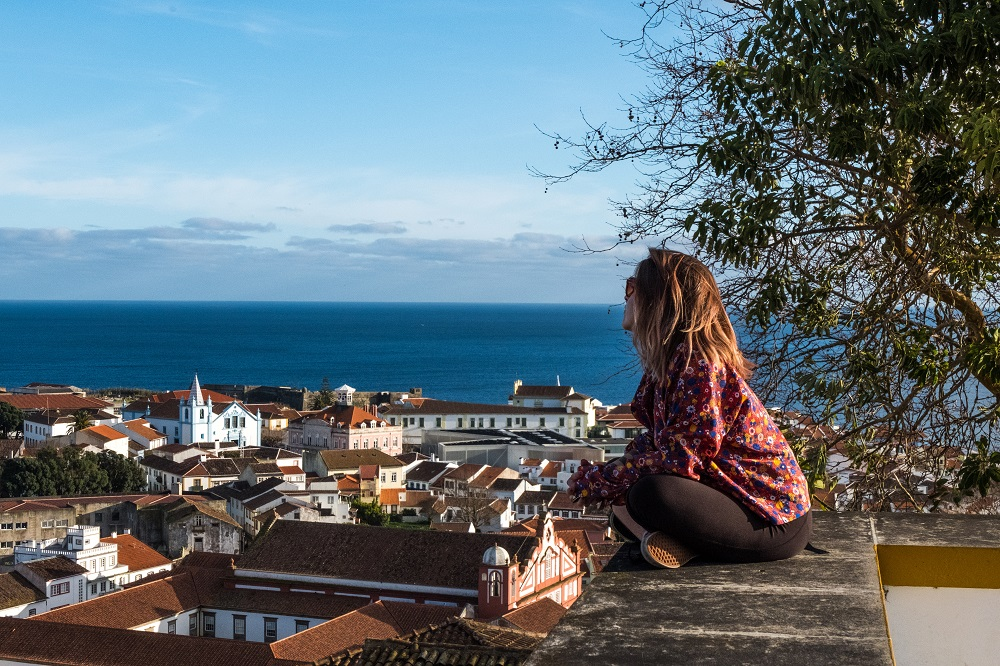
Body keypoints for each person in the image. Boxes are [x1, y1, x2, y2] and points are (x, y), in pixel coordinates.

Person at [569, 249, 812, 568]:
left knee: (648, 493)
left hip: (772, 522)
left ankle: (682, 544)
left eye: (632, 288)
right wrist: (609, 472)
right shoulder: (674, 363)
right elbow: (661, 445)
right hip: (744, 508)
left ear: (659, 299)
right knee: (627, 498)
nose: (625, 297)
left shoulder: (698, 364)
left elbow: (680, 460)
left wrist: (606, 477)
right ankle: (678, 544)